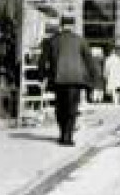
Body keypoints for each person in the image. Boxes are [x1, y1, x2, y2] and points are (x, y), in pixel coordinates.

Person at [39, 16, 99, 146]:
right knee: (72, 108)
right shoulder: (81, 41)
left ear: (61, 25)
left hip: (58, 79)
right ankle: (68, 136)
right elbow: (90, 62)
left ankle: (62, 134)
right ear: (72, 26)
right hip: (76, 79)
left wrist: (42, 75)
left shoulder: (52, 41)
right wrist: (93, 80)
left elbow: (42, 61)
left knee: (60, 107)